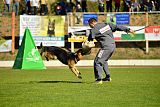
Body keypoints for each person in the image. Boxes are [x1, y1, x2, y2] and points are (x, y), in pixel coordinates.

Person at [87, 18, 134, 84]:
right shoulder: (106, 24)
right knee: (104, 61)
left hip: (106, 47)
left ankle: (99, 79)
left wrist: (85, 44)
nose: (90, 26)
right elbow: (117, 27)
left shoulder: (94, 29)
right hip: (113, 45)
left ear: (91, 23)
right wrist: (128, 29)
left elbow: (90, 39)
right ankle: (108, 77)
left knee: (98, 61)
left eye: (89, 25)